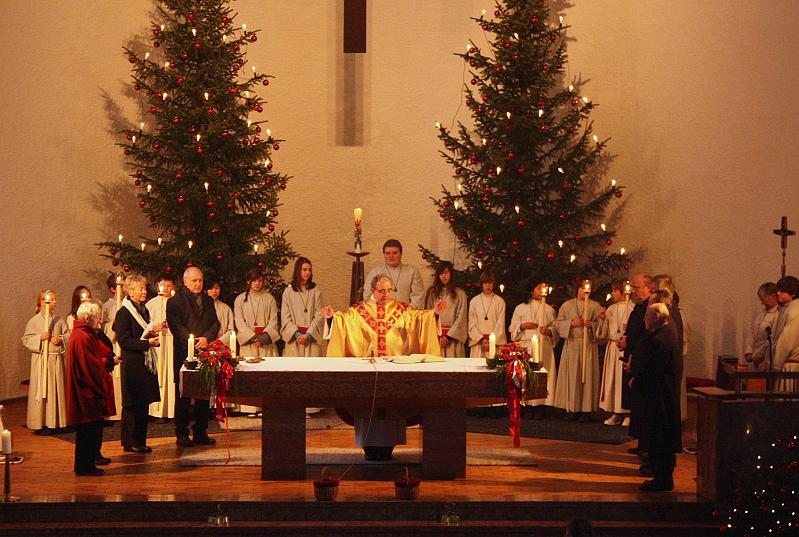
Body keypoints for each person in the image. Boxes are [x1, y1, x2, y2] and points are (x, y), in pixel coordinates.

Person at [323, 273, 447, 460]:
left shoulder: (402, 309)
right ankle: (369, 447)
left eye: (390, 290)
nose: (387, 294)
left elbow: (420, 318)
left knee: (391, 409)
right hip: (368, 374)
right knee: (369, 410)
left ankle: (389, 446)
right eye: (382, 291)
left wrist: (435, 314)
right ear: (373, 290)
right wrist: (332, 318)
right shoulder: (358, 311)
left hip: (393, 373)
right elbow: (342, 321)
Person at [166, 266, 221, 447]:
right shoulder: (175, 301)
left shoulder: (208, 300)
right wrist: (192, 341)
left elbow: (215, 323)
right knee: (183, 394)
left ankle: (200, 431)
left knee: (203, 393)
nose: (198, 284)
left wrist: (206, 338)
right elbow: (176, 326)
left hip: (204, 352)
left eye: (200, 280)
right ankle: (181, 432)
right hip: (184, 353)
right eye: (194, 281)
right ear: (185, 282)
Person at [630, 302, 682, 491]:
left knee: (660, 439)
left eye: (647, 316)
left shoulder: (661, 340)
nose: (644, 319)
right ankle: (661, 477)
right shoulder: (662, 336)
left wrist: (636, 380)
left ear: (657, 318)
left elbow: (654, 370)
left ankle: (662, 479)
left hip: (660, 399)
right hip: (659, 397)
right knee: (658, 439)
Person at [65, 301, 117, 476]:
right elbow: (90, 367)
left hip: (85, 388)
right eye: (98, 317)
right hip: (86, 390)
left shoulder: (82, 333)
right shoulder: (83, 336)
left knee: (89, 430)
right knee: (87, 431)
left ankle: (87, 464)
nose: (100, 321)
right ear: (88, 318)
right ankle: (84, 466)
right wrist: (107, 363)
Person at [113, 274, 161, 453]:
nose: (144, 292)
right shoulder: (123, 313)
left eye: (144, 288)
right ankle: (129, 441)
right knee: (132, 404)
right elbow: (124, 341)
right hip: (132, 364)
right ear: (130, 291)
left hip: (145, 362)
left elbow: (144, 332)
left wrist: (153, 336)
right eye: (140, 289)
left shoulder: (143, 309)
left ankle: (140, 440)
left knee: (143, 403)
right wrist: (146, 343)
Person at [22, 290, 68, 434]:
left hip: (56, 360)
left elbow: (69, 335)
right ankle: (41, 422)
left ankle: (57, 422)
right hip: (41, 360)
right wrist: (40, 337)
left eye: (55, 299)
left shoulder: (59, 320)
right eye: (51, 299)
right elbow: (26, 339)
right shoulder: (34, 321)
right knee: (43, 391)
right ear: (42, 302)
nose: (55, 302)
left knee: (57, 390)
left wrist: (60, 338)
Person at [554, 281, 601, 421]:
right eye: (582, 288)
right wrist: (571, 323)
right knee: (572, 377)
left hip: (588, 346)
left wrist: (592, 325)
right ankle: (572, 409)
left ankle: (586, 411)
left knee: (587, 377)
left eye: (588, 289)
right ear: (578, 289)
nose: (585, 291)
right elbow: (558, 324)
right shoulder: (567, 305)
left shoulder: (595, 306)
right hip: (572, 346)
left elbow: (602, 325)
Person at [509, 281, 558, 415]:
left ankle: (541, 406)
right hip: (526, 346)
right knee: (525, 376)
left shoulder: (549, 309)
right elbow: (513, 328)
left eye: (544, 288)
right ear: (531, 290)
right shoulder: (520, 308)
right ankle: (526, 405)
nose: (542, 290)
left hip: (544, 347)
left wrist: (548, 331)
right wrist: (522, 326)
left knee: (542, 375)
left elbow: (555, 330)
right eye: (538, 288)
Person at [619, 272, 654, 435]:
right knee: (635, 401)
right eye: (632, 287)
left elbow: (645, 333)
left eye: (637, 287)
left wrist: (630, 342)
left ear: (648, 287)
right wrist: (625, 339)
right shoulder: (639, 306)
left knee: (642, 402)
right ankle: (639, 439)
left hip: (640, 358)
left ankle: (644, 442)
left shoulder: (650, 307)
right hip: (632, 355)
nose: (633, 290)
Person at [597, 279, 633, 425]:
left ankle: (628, 412)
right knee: (613, 379)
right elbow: (603, 334)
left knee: (623, 379)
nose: (612, 294)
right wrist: (603, 319)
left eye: (615, 291)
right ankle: (615, 412)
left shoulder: (633, 308)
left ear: (624, 292)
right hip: (612, 347)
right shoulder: (611, 309)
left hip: (625, 348)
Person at [146, 273, 177, 420]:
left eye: (169, 285)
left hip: (172, 342)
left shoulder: (177, 303)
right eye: (163, 285)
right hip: (157, 343)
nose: (166, 288)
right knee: (158, 376)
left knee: (171, 376)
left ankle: (172, 410)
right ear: (158, 286)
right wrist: (154, 327)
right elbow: (145, 324)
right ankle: (157, 411)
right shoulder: (151, 304)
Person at [423, 261, 468, 358]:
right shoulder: (432, 293)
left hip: (453, 339)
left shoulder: (460, 294)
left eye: (446, 272)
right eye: (441, 273)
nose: (444, 276)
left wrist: (448, 337)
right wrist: (437, 336)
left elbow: (461, 318)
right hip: (436, 339)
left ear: (451, 274)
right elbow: (428, 314)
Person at [281, 257, 324, 357]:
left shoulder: (316, 291)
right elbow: (285, 317)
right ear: (298, 270)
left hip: (311, 339)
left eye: (309, 270)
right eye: (304, 270)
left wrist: (308, 334)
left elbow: (319, 315)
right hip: (294, 339)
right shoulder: (288, 292)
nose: (307, 272)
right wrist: (297, 334)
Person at [363, 239, 425, 308]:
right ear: (384, 254)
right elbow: (368, 296)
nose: (391, 256)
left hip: (405, 315)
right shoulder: (375, 272)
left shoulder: (412, 272)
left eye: (395, 253)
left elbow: (418, 297)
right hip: (381, 315)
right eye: (388, 253)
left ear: (401, 254)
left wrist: (407, 313)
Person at [235, 268, 280, 358]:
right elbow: (239, 322)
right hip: (249, 345)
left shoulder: (269, 298)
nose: (257, 283)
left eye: (260, 281)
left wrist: (264, 338)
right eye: (254, 280)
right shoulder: (240, 299)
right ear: (248, 281)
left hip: (266, 345)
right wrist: (252, 337)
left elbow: (273, 321)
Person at [468, 270, 507, 359]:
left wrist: (491, 342)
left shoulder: (500, 302)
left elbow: (500, 324)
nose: (488, 285)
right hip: (479, 344)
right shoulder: (474, 301)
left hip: (494, 345)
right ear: (481, 284)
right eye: (485, 283)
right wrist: (482, 340)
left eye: (490, 283)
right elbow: (471, 325)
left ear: (493, 284)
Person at [744, 282, 779, 371]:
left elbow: (770, 340)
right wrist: (749, 351)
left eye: (763, 299)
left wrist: (755, 356)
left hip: (766, 360)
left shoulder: (778, 315)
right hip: (755, 359)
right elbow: (752, 333)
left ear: (772, 296)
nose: (762, 302)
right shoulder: (761, 313)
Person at [772, 276, 799, 391]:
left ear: (793, 293)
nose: (778, 293)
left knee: (786, 405)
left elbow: (786, 342)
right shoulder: (787, 309)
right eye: (778, 290)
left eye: (782, 291)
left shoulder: (795, 311)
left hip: (790, 367)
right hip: (786, 363)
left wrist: (776, 366)